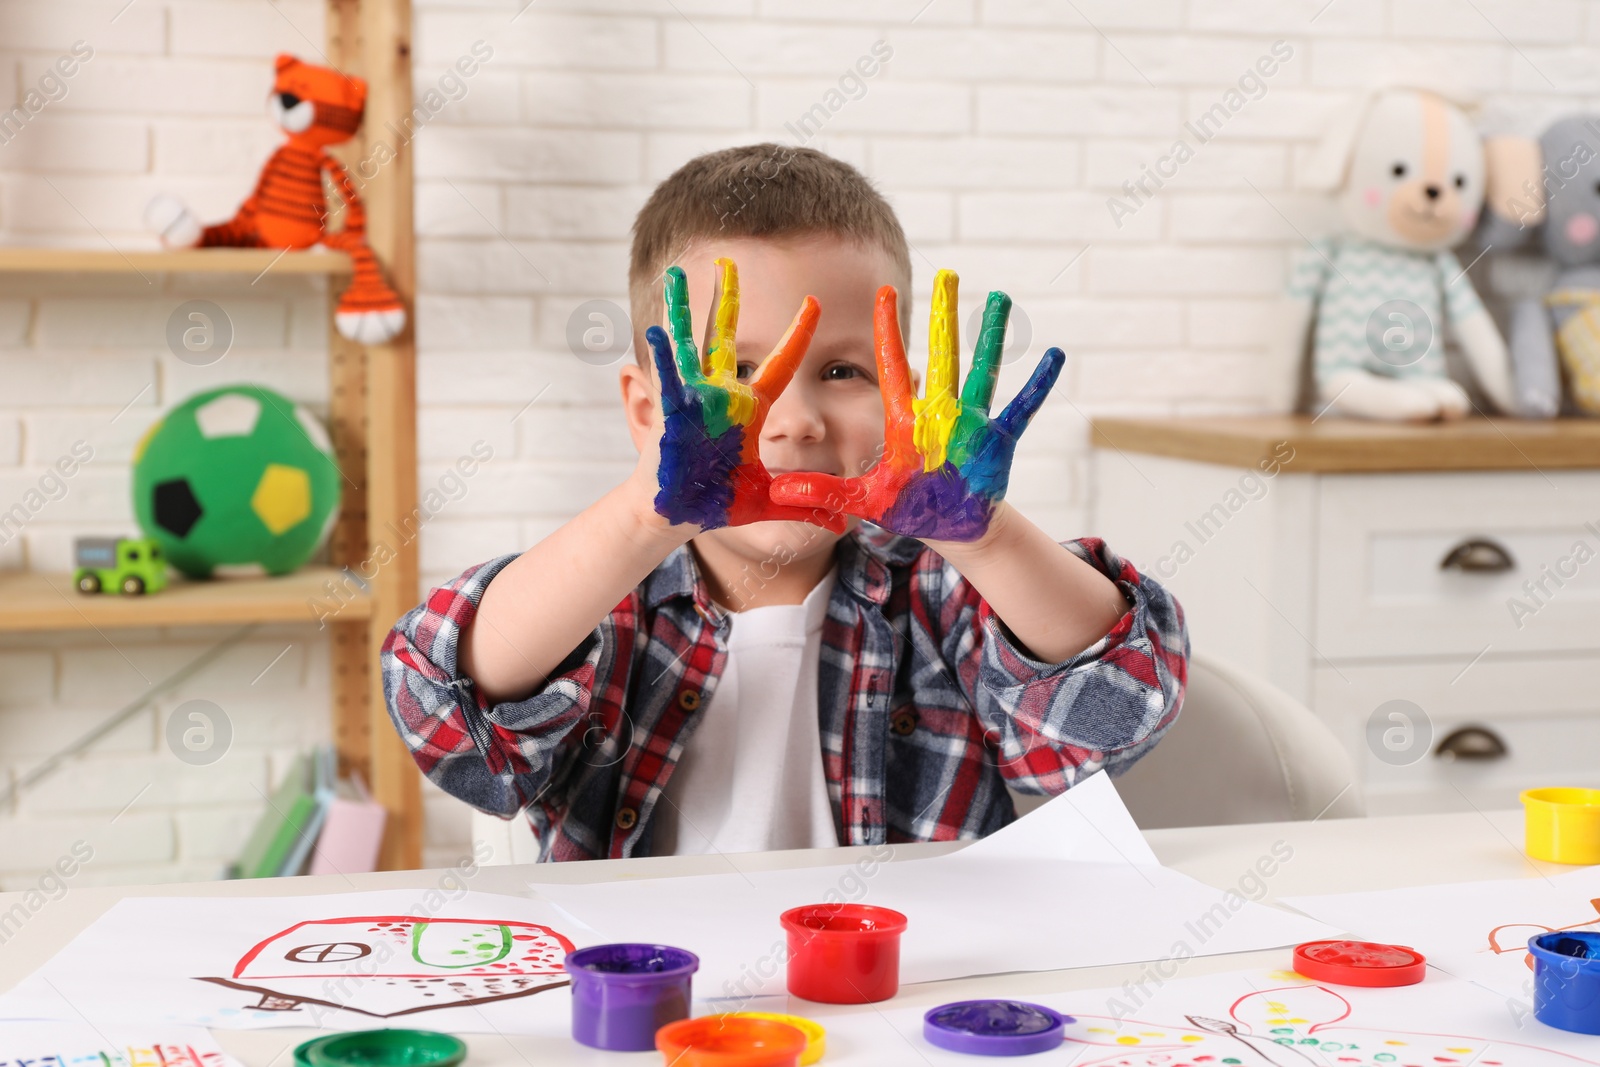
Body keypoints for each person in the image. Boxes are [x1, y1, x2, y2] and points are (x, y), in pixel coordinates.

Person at [382, 143, 1188, 862]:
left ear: (905, 396)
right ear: (644, 412)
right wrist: (642, 514)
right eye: (736, 373)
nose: (797, 420)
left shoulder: (944, 595)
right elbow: (445, 722)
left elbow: (1112, 721)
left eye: (844, 372)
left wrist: (985, 539)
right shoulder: (598, 608)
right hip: (655, 1006)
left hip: (900, 998)